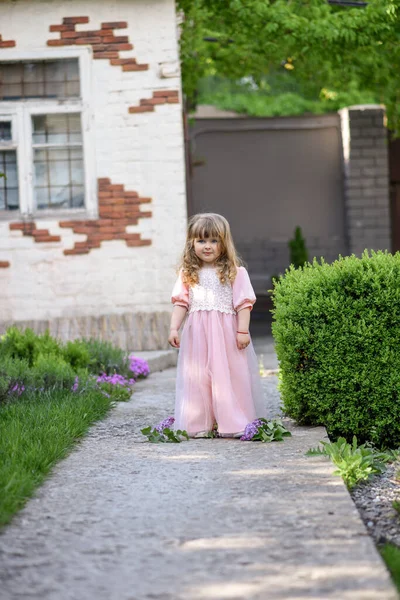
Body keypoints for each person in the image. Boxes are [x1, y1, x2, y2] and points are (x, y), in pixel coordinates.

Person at [168, 212, 267, 438]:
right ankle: (199, 423)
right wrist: (174, 328)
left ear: (224, 243)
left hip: (226, 335)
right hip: (198, 336)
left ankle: (232, 420)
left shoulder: (235, 273)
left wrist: (242, 331)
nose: (208, 246)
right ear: (191, 243)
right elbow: (181, 303)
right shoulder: (188, 274)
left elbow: (243, 304)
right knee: (199, 377)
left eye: (214, 240)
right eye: (201, 240)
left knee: (229, 375)